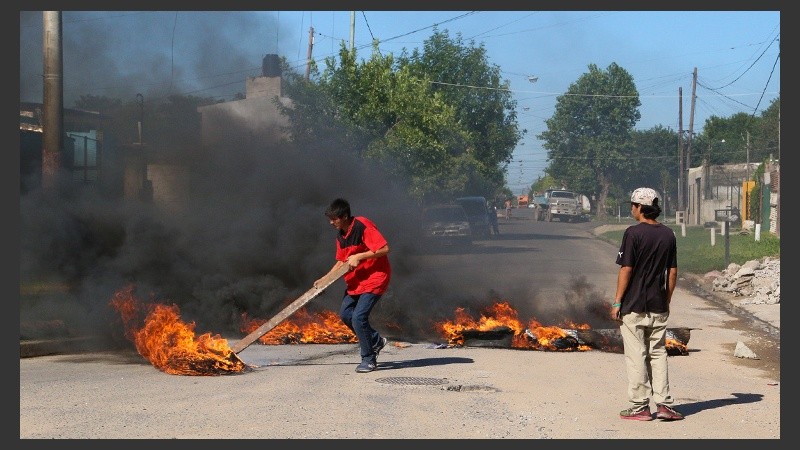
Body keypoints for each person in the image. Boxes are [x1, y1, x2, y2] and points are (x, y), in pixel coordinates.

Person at [610, 187, 684, 421]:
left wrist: (617, 301)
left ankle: (640, 406)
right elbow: (672, 272)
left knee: (636, 355)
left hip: (633, 305)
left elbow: (626, 269)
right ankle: (664, 404)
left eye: (633, 205)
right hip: (658, 304)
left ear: (640, 208)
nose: (632, 209)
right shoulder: (668, 234)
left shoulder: (633, 233)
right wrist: (667, 299)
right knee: (658, 353)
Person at [315, 198, 391, 373]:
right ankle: (376, 341)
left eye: (334, 219)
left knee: (358, 317)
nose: (331, 222)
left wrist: (359, 257)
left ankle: (369, 359)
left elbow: (384, 248)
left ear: (345, 216)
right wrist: (325, 278)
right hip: (356, 282)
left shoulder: (362, 225)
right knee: (346, 315)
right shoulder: (341, 235)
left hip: (375, 278)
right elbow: (341, 262)